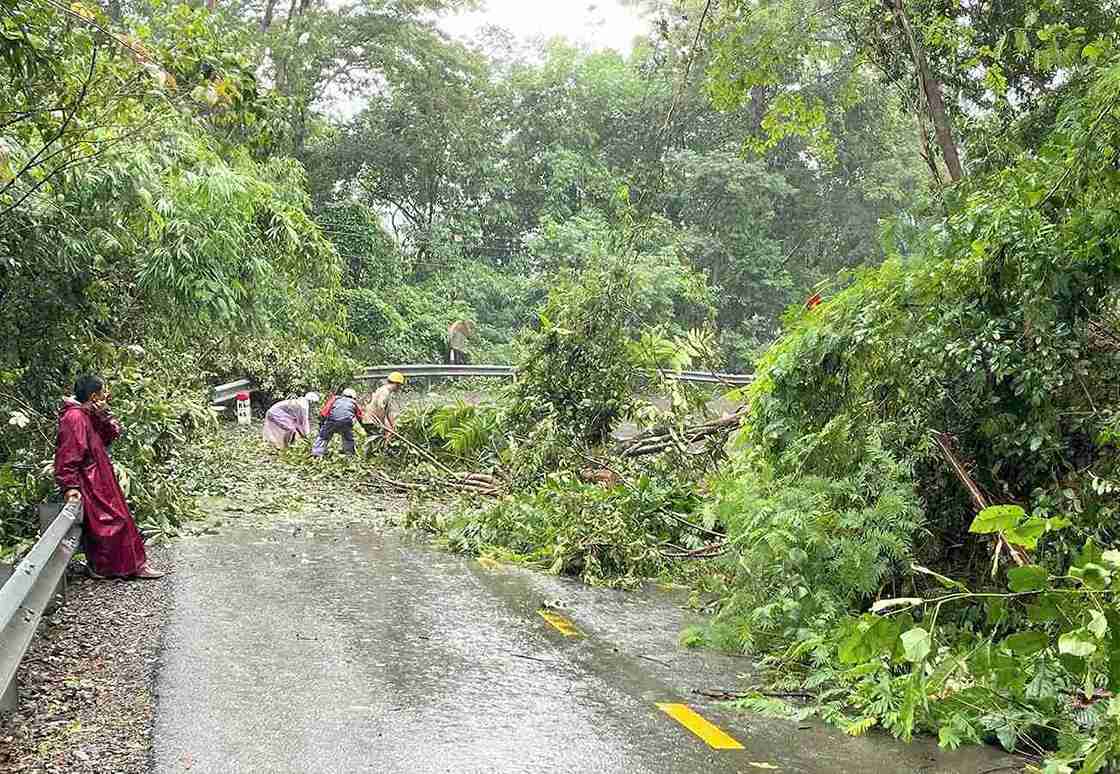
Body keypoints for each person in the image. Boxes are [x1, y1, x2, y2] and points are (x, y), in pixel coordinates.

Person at [54, 375, 164, 579]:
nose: (106, 395)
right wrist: (70, 486)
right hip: (90, 480)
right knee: (112, 522)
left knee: (117, 520)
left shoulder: (88, 413)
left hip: (100, 476)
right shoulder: (74, 417)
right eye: (103, 392)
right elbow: (68, 454)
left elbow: (109, 436)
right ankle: (119, 568)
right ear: (94, 396)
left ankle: (120, 567)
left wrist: (103, 415)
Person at [312, 387, 364, 457]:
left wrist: (321, 423)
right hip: (346, 422)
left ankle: (317, 454)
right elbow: (359, 416)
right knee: (348, 438)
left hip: (332, 421)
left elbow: (324, 412)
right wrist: (364, 426)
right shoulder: (354, 403)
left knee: (323, 437)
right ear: (353, 396)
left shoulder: (335, 399)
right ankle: (349, 454)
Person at [362, 372, 406, 440]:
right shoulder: (384, 392)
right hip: (372, 422)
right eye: (400, 385)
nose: (400, 388)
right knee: (377, 441)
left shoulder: (387, 392)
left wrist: (393, 427)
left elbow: (388, 412)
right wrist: (385, 426)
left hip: (374, 422)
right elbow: (380, 408)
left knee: (381, 440)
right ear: (397, 384)